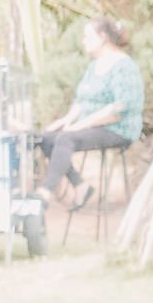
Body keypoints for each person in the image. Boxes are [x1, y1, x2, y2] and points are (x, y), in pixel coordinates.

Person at [35, 17, 145, 208]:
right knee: (45, 137)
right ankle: (80, 185)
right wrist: (65, 121)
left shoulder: (124, 66)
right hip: (92, 125)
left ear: (102, 38)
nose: (83, 41)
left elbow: (118, 111)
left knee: (66, 139)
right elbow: (81, 100)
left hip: (118, 128)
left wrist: (78, 126)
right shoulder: (94, 66)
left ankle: (44, 193)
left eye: (87, 36)